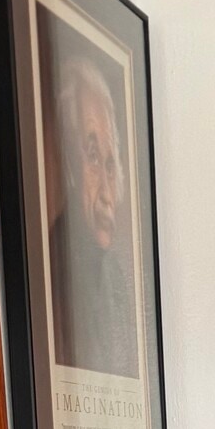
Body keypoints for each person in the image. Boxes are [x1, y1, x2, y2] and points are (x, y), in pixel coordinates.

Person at [46, 47, 138, 377]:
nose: (106, 196)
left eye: (111, 164)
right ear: (71, 161)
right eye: (93, 157)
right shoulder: (52, 263)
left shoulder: (116, 279)